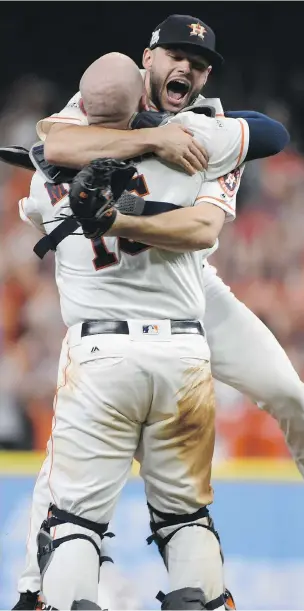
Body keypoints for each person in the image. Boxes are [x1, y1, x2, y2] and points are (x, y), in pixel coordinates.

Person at [37, 13, 304, 556]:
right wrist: (153, 138)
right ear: (148, 58)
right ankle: (31, 584)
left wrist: (130, 198)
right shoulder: (107, 97)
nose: (188, 67)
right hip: (112, 298)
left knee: (287, 392)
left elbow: (268, 141)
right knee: (64, 460)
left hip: (190, 287)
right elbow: (53, 141)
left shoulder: (209, 129)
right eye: (177, 55)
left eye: (200, 64)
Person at [15, 51, 260, 610]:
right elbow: (267, 134)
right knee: (185, 519)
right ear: (142, 99)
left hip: (101, 354)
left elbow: (48, 171)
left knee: (74, 524)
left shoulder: (44, 175)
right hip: (183, 354)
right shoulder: (186, 155)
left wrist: (66, 152)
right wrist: (156, 138)